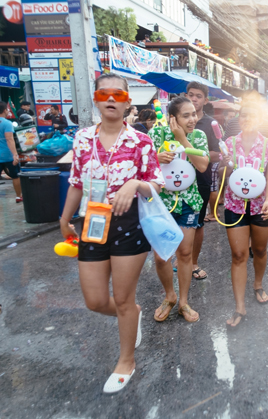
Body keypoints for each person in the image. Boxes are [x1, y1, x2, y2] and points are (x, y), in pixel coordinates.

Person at [59, 73, 164, 393]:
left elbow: (156, 186)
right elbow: (77, 182)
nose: (110, 100)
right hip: (92, 222)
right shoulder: (82, 139)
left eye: (117, 95)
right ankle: (132, 315)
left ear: (127, 101)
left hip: (129, 224)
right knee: (94, 300)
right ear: (96, 98)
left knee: (122, 298)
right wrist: (64, 218)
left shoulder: (141, 141)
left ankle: (126, 360)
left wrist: (134, 184)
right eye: (104, 94)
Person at [219, 101, 268, 328]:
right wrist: (225, 164)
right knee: (238, 255)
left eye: (253, 115)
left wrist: (267, 199)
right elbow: (226, 173)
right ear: (239, 118)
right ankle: (239, 307)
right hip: (235, 206)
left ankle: (258, 284)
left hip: (260, 206)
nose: (247, 119)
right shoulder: (229, 143)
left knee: (260, 249)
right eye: (244, 115)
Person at [149, 96, 209, 323]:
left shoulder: (198, 136)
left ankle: (183, 302)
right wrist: (156, 158)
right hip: (160, 204)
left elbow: (202, 165)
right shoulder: (155, 134)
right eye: (186, 115)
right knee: (162, 255)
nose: (193, 119)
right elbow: (142, 164)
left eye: (194, 113)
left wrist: (182, 139)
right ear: (172, 118)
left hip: (189, 202)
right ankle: (169, 296)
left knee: (185, 254)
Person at [186, 81, 222, 279]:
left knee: (198, 223)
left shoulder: (211, 124)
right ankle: (181, 258)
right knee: (179, 220)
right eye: (190, 94)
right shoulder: (175, 120)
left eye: (198, 96)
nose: (193, 99)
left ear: (205, 100)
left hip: (202, 178)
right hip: (177, 181)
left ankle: (193, 262)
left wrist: (196, 154)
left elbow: (218, 153)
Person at [0, 102, 22, 202]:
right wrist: (15, 155)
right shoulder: (6, 123)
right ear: (5, 110)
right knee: (15, 176)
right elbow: (9, 139)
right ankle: (18, 196)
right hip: (7, 155)